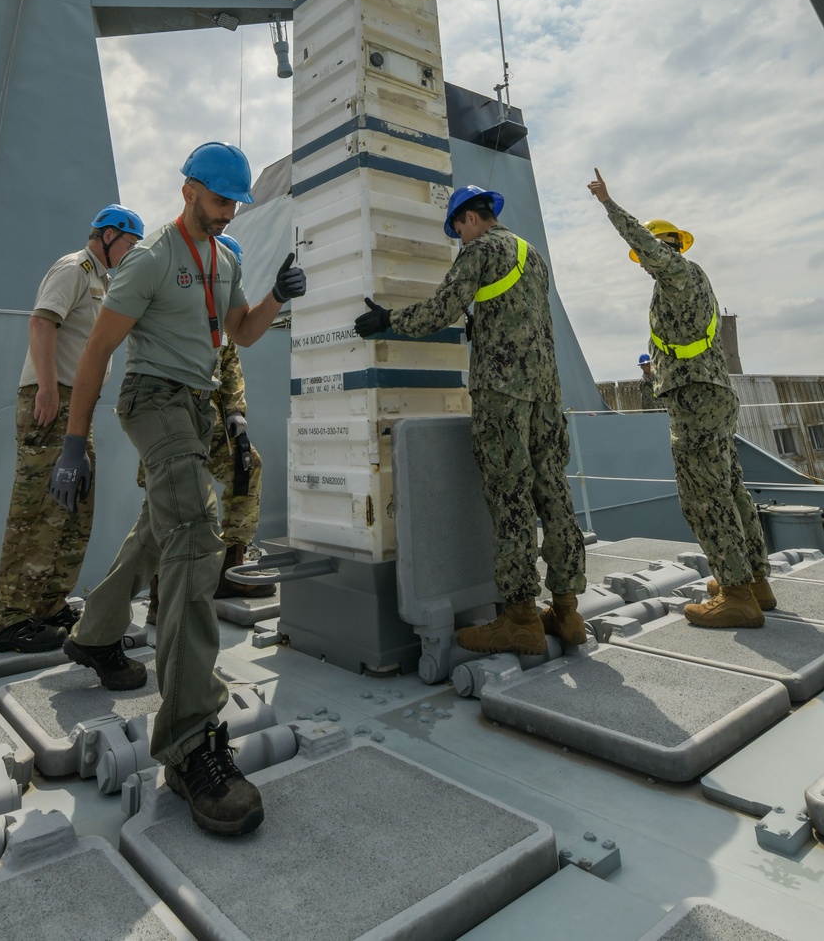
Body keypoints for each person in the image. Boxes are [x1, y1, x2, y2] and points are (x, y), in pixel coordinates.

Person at [48, 142, 306, 838]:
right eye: (220, 201)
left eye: (234, 205)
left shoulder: (227, 259)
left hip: (194, 403)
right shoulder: (153, 256)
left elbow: (242, 336)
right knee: (198, 536)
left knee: (162, 529)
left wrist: (280, 292)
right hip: (152, 396)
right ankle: (190, 744)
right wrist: (76, 442)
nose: (227, 214)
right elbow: (100, 348)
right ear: (190, 189)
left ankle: (95, 633)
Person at [355, 184, 587, 657]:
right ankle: (566, 610)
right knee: (554, 494)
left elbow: (442, 308)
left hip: (502, 392)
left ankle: (521, 618)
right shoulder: (534, 255)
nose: (460, 237)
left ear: (470, 219)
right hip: (545, 392)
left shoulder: (479, 251)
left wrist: (389, 321)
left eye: (457, 229)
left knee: (511, 496)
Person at [587, 169, 773, 628]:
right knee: (730, 490)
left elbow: (648, 247)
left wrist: (609, 203)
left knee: (705, 497)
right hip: (709, 396)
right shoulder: (691, 278)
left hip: (695, 402)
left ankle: (735, 594)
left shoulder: (674, 274)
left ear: (661, 249)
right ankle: (754, 582)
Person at [0, 205, 144, 653]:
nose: (131, 253)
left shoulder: (103, 280)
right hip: (52, 401)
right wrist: (47, 390)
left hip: (77, 406)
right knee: (36, 511)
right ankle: (7, 621)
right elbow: (41, 322)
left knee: (71, 511)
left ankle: (48, 605)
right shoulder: (73, 269)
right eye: (129, 244)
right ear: (109, 236)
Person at [143, 233, 273, 628]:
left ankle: (228, 572)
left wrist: (237, 415)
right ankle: (160, 596)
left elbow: (231, 365)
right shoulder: (178, 305)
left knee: (246, 466)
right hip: (171, 418)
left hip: (211, 421)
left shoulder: (222, 314)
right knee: (167, 503)